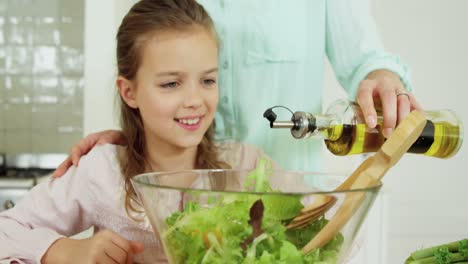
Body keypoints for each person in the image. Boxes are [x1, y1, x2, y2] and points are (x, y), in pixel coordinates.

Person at [0, 1, 272, 263]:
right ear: (130, 92)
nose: (195, 100)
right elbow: (6, 228)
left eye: (208, 80)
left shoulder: (246, 166)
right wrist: (63, 251)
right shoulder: (103, 171)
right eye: (171, 84)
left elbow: (312, 217)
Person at [53, 0, 422, 177]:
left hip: (288, 214)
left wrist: (383, 80)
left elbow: (367, 60)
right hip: (188, 216)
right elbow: (154, 69)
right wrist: (136, 137)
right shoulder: (99, 176)